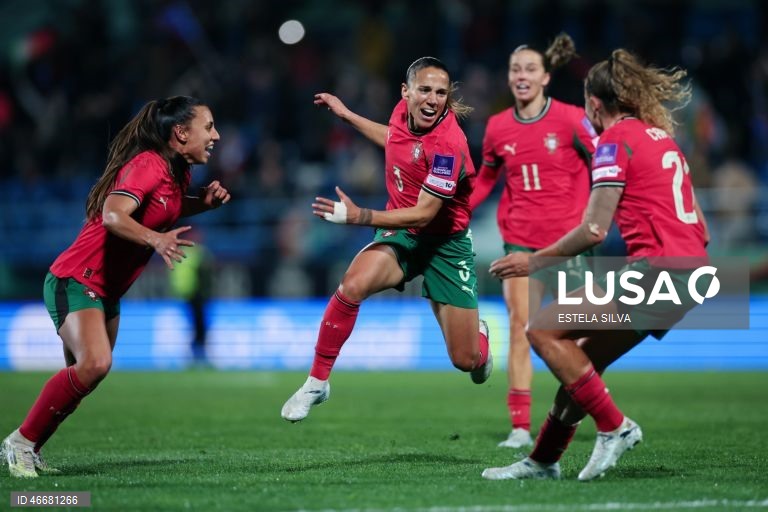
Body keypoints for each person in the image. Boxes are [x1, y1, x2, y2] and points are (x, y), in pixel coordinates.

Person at [481, 49, 709, 481]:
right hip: (692, 275)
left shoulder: (614, 141)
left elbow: (593, 230)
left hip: (659, 271)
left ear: (594, 102)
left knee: (542, 330)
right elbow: (701, 226)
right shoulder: (662, 138)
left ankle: (614, 426)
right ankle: (543, 459)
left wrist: (533, 260)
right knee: (582, 361)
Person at [1, 95, 230, 478]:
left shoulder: (176, 173)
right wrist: (156, 240)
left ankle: (30, 447)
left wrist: (201, 204)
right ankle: (20, 443)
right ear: (180, 132)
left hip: (106, 292)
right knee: (95, 364)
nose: (216, 136)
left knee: (86, 376)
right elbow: (112, 214)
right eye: (208, 127)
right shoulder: (148, 165)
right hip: (76, 279)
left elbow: (163, 206)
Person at [281, 56, 492, 423]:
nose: (432, 99)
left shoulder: (449, 144)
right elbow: (396, 140)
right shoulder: (401, 114)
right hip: (402, 234)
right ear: (405, 92)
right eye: (424, 90)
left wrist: (360, 216)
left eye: (441, 93)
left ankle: (480, 339)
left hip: (445, 244)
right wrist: (348, 116)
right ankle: (317, 382)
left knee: (466, 361)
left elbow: (425, 213)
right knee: (352, 284)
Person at [470, 33, 596, 449]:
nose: (521, 76)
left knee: (579, 338)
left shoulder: (572, 119)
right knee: (521, 327)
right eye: (515, 70)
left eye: (529, 69)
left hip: (568, 244)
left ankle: (576, 414)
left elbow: (606, 165)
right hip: (520, 244)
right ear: (509, 78)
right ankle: (521, 427)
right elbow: (485, 179)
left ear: (545, 77)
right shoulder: (496, 127)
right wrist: (456, 210)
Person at [168, 227, 214, 365]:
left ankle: (197, 352)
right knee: (199, 324)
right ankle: (198, 353)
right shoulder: (199, 253)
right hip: (196, 295)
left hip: (188, 294)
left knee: (196, 324)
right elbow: (205, 276)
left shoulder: (181, 253)